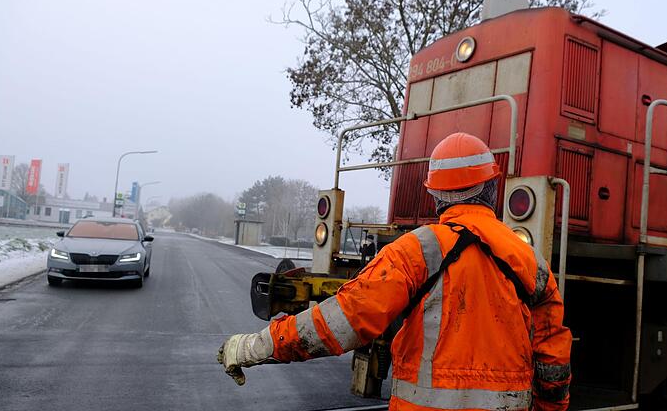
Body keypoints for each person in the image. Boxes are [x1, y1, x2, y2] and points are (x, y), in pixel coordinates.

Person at [218, 132, 572, 411]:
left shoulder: (416, 251)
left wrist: (253, 347)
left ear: (435, 195)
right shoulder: (531, 261)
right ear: (493, 188)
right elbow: (553, 359)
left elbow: (343, 321)